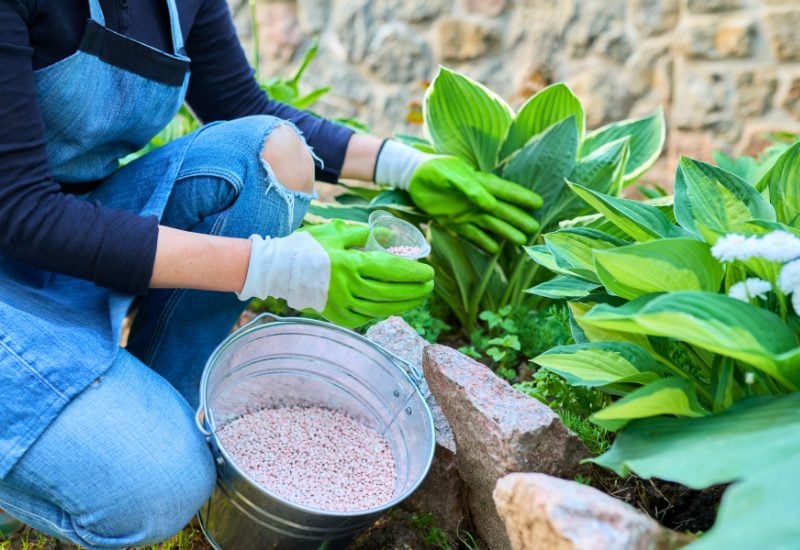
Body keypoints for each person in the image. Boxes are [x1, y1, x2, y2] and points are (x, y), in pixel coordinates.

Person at [0, 0, 542, 547]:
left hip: (72, 236)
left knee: (269, 154)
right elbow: (22, 212)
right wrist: (274, 268)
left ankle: (142, 410)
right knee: (161, 488)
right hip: (17, 250)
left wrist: (406, 166)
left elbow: (242, 105)